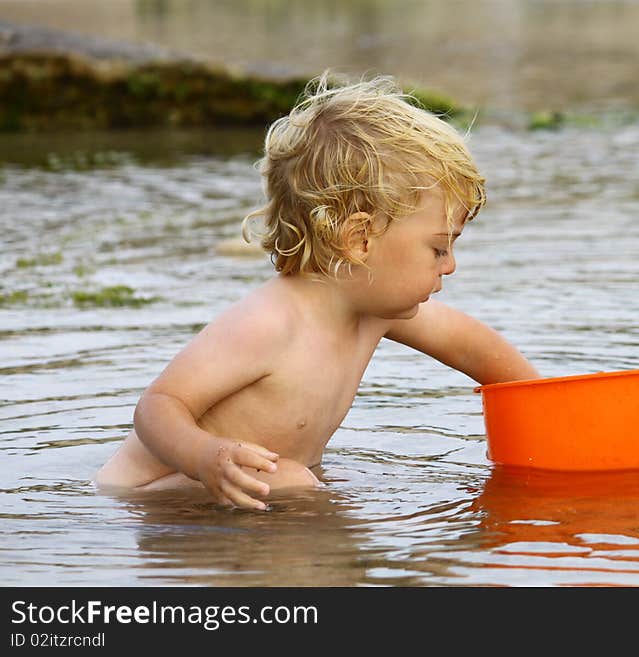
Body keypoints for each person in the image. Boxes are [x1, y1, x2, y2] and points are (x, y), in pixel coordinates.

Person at [94, 73, 540, 510]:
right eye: (439, 247)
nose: (450, 265)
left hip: (256, 487)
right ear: (360, 239)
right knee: (294, 481)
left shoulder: (376, 308)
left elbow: (473, 348)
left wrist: (553, 407)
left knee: (303, 482)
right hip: (149, 499)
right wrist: (204, 457)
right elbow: (159, 405)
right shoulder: (270, 324)